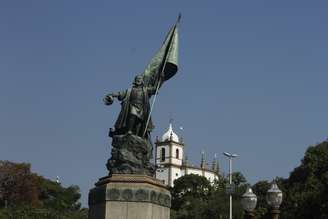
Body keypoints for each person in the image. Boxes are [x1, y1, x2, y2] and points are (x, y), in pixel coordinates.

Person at [103, 75, 161, 139]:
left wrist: (160, 79)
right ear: (135, 80)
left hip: (142, 108)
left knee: (139, 122)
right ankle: (129, 131)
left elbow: (154, 89)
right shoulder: (130, 90)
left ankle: (137, 135)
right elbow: (120, 94)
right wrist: (112, 95)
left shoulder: (145, 90)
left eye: (140, 79)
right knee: (132, 115)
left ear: (142, 81)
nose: (138, 80)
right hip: (132, 106)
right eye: (137, 79)